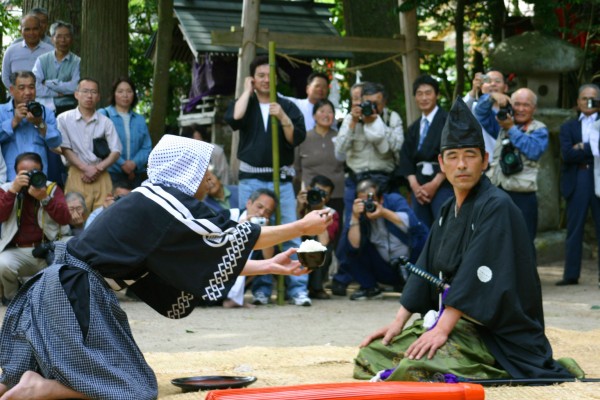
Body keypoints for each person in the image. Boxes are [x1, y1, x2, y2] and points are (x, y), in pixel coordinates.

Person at [0, 134, 332, 399]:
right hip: (74, 296)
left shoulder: (153, 204)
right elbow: (231, 235)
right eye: (204, 169)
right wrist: (301, 227)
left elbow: (199, 260)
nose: (209, 178)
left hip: (51, 292)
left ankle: (34, 381)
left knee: (9, 377)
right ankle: (45, 388)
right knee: (135, 388)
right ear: (187, 169)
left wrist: (269, 265)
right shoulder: (164, 203)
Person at [354, 97, 579, 383]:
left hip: (497, 334)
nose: (462, 165)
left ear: (485, 160)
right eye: (453, 156)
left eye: (470, 155)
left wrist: (443, 329)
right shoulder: (448, 210)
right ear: (441, 163)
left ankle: (492, 366)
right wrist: (398, 323)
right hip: (457, 321)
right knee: (370, 356)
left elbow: (477, 271)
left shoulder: (497, 206)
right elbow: (425, 265)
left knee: (410, 369)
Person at [225, 55, 310, 306]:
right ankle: (260, 289)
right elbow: (234, 119)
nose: (265, 80)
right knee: (252, 233)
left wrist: (283, 117)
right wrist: (245, 90)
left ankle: (298, 288)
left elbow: (296, 138)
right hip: (251, 177)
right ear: (253, 78)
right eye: (259, 75)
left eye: (268, 75)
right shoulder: (247, 102)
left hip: (281, 178)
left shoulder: (287, 105)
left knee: (292, 231)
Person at [337, 178, 428, 301]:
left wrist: (383, 212)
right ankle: (370, 287)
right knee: (348, 245)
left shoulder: (394, 200)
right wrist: (354, 217)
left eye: (371, 200)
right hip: (385, 268)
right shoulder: (359, 214)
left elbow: (412, 224)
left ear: (381, 198)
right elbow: (354, 246)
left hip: (412, 263)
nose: (368, 205)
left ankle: (422, 286)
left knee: (423, 238)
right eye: (363, 201)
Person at [0, 152, 70, 305]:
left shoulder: (51, 188)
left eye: (35, 172)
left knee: (74, 246)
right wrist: (13, 191)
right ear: (16, 173)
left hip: (47, 249)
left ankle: (62, 295)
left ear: (42, 171)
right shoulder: (6, 189)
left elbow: (65, 218)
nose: (31, 177)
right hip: (17, 251)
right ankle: (12, 298)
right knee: (2, 263)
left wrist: (45, 198)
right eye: (25, 173)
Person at [334, 81, 404, 224]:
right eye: (367, 102)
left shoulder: (391, 117)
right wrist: (352, 123)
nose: (371, 107)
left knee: (391, 226)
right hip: (356, 180)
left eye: (376, 103)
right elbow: (339, 152)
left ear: (384, 102)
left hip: (385, 181)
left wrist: (379, 124)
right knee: (352, 226)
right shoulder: (352, 117)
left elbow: (399, 147)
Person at [485, 87, 548, 242]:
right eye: (516, 104)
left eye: (525, 105)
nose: (520, 109)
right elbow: (480, 114)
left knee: (524, 243)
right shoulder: (500, 122)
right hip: (497, 190)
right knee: (497, 241)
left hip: (523, 195)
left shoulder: (539, 129)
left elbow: (533, 150)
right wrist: (492, 97)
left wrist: (511, 129)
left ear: (534, 108)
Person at [557, 83, 600, 286]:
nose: (588, 102)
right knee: (574, 228)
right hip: (578, 177)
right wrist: (592, 150)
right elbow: (567, 154)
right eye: (584, 98)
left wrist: (583, 146)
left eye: (592, 98)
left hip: (598, 176)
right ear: (578, 101)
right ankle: (571, 275)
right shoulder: (568, 126)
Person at [58, 77, 122, 212]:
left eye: (93, 92)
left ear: (98, 97)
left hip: (102, 173)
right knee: (75, 215)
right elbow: (64, 148)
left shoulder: (106, 122)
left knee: (104, 216)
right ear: (76, 94)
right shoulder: (63, 119)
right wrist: (85, 168)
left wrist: (97, 169)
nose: (89, 96)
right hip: (76, 172)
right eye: (85, 91)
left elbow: (116, 151)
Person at [398, 75, 452, 227]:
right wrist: (415, 187)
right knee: (421, 230)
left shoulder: (447, 120)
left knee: (444, 227)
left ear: (437, 95)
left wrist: (435, 184)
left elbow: (451, 153)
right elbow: (406, 158)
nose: (424, 98)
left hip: (443, 183)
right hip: (419, 185)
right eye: (419, 94)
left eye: (428, 93)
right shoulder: (414, 127)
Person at [0, 71, 62, 181]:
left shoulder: (46, 112)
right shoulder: (1, 111)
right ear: (12, 90)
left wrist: (40, 123)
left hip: (39, 177)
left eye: (31, 87)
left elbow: (55, 142)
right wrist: (14, 121)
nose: (28, 92)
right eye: (21, 88)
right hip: (9, 177)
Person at [98, 76, 152, 188]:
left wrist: (133, 164)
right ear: (114, 94)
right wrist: (122, 163)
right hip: (110, 173)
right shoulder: (104, 115)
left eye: (129, 91)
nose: (125, 95)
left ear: (134, 94)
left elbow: (146, 147)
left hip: (135, 175)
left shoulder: (140, 119)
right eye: (120, 91)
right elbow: (102, 144)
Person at [295, 99, 345, 217]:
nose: (326, 115)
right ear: (313, 115)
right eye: (322, 111)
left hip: (336, 194)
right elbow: (297, 169)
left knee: (334, 230)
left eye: (330, 112)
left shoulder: (340, 138)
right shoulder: (303, 137)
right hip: (311, 195)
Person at [296, 175, 340, 300]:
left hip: (315, 252)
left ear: (328, 198)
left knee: (322, 248)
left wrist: (319, 211)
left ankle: (316, 287)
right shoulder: (295, 205)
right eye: (316, 191)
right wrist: (299, 208)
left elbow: (324, 242)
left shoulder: (331, 213)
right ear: (309, 189)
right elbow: (289, 232)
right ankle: (294, 287)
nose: (318, 196)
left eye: (323, 194)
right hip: (296, 248)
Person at [32, 21, 81, 115]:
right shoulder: (42, 60)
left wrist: (48, 83)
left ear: (72, 39)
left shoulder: (77, 61)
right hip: (43, 108)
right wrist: (56, 93)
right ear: (52, 39)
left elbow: (75, 87)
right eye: (59, 36)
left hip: (67, 108)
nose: (63, 40)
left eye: (67, 36)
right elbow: (34, 86)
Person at [1, 14, 53, 90]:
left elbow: (56, 77)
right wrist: (17, 93)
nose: (31, 33)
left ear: (40, 30)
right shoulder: (11, 51)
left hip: (44, 98)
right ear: (20, 31)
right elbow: (5, 77)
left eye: (35, 29)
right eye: (27, 29)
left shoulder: (51, 51)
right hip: (17, 98)